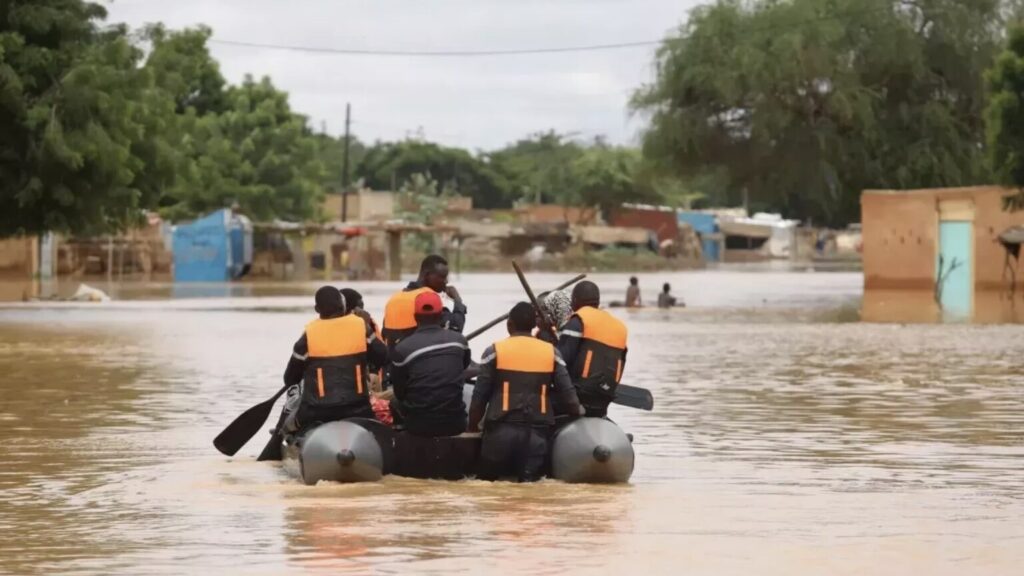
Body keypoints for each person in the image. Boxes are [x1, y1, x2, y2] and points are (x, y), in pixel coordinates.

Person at [468, 302, 583, 482]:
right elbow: (568, 396)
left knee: (487, 484)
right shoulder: (552, 353)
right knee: (530, 485)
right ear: (534, 326)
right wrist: (579, 412)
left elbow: (479, 398)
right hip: (536, 435)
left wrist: (472, 427)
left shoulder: (493, 352)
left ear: (509, 325)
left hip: (499, 433)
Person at [280, 286, 388, 431]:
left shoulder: (308, 336)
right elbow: (384, 357)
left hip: (316, 412)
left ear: (317, 309)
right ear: (342, 305)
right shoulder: (361, 326)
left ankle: (280, 443)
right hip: (358, 409)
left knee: (288, 422)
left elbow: (290, 379)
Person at [388, 291, 472, 437]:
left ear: (415, 317)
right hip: (455, 423)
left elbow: (399, 393)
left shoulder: (402, 349)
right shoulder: (460, 341)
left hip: (418, 426)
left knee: (395, 402)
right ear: (441, 316)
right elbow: (463, 367)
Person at [382, 255, 466, 375]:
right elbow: (456, 328)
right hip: (418, 369)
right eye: (442, 277)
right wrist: (458, 300)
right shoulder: (427, 298)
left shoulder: (394, 299)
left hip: (393, 368)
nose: (446, 282)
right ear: (427, 275)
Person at [557, 281, 628, 418]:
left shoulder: (578, 320)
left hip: (577, 397)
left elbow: (561, 362)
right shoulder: (620, 327)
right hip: (604, 399)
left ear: (575, 301)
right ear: (598, 302)